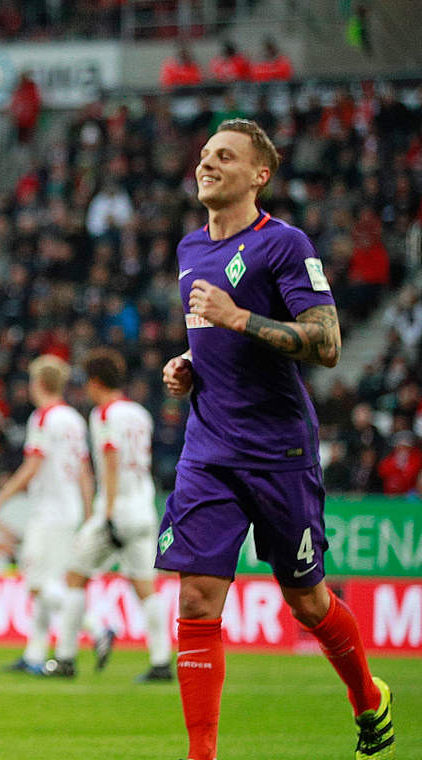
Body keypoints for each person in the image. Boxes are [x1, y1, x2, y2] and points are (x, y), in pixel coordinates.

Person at [160, 118, 393, 760]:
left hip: (278, 451)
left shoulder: (284, 244)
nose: (207, 163)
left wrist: (241, 318)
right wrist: (188, 364)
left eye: (225, 156)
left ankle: (367, 700)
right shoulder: (189, 249)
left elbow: (327, 343)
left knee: (309, 601)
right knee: (198, 595)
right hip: (208, 449)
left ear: (260, 175)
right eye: (204, 154)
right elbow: (211, 339)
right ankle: (201, 754)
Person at [44, 348, 171, 681]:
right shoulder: (140, 413)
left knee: (75, 577)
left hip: (116, 509)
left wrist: (109, 511)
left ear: (96, 382)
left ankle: (65, 658)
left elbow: (111, 459)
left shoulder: (103, 415)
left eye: (88, 381)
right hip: (144, 508)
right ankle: (161, 662)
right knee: (146, 587)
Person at [0, 354, 91, 675]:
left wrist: (0, 500)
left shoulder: (43, 418)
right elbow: (85, 470)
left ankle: (98, 628)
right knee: (49, 581)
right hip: (70, 509)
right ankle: (35, 654)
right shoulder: (75, 419)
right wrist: (88, 511)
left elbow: (32, 466)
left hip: (49, 511)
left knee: (36, 582)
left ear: (39, 384)